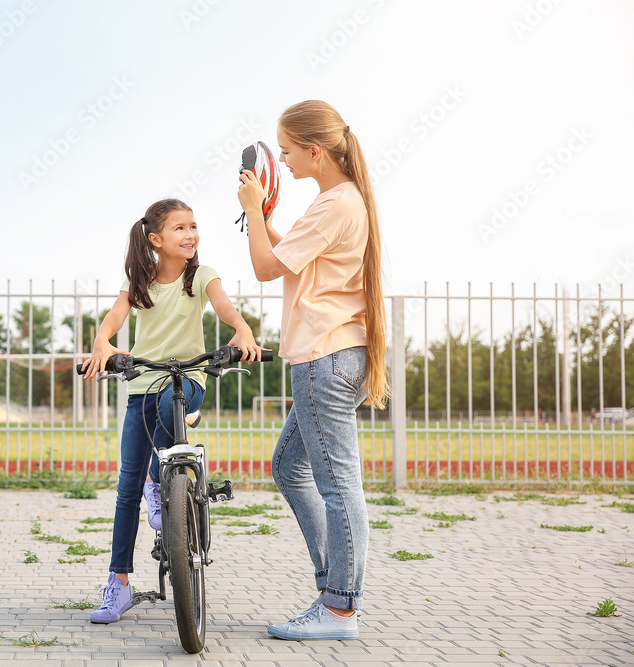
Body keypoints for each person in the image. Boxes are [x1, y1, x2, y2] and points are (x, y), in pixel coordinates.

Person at [237, 100, 389, 640]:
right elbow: (290, 259)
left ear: (315, 151)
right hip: (331, 355)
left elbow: (261, 269)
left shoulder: (334, 205)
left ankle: (340, 606)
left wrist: (253, 209)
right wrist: (268, 222)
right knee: (288, 466)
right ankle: (333, 588)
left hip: (324, 359)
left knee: (338, 483)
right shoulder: (340, 201)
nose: (283, 161)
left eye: (287, 151)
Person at [80, 198, 264, 624]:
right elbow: (112, 319)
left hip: (187, 382)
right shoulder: (139, 281)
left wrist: (242, 329)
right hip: (142, 386)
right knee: (125, 491)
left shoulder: (201, 276)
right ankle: (119, 584)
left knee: (170, 407)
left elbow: (224, 308)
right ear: (155, 239)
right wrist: (102, 343)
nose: (190, 234)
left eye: (194, 226)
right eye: (180, 228)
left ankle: (156, 481)